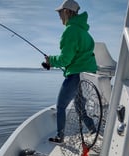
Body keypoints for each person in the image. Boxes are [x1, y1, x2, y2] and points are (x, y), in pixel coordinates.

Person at [44, 0, 97, 143]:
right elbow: (78, 56)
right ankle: (93, 129)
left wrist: (51, 60)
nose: (59, 16)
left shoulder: (70, 30)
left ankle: (60, 136)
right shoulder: (84, 32)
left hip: (76, 75)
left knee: (61, 106)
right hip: (88, 76)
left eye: (60, 12)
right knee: (80, 108)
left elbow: (65, 59)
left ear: (67, 11)